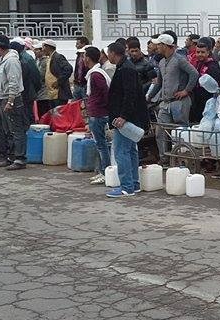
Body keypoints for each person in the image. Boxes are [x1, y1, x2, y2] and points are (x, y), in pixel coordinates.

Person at [106, 41, 147, 198]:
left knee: (121, 151)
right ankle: (134, 184)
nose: (108, 55)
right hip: (128, 116)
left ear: (113, 53)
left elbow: (130, 95)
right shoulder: (124, 67)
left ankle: (127, 187)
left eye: (109, 53)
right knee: (130, 151)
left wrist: (123, 116)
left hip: (125, 118)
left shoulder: (126, 69)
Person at [152, 33, 198, 162]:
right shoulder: (161, 62)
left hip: (180, 102)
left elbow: (194, 74)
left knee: (180, 132)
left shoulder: (179, 60)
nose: (157, 47)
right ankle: (164, 159)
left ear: (166, 46)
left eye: (159, 45)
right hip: (166, 102)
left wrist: (186, 91)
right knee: (160, 132)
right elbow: (159, 83)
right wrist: (149, 97)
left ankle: (181, 159)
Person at [0, 35, 28, 170]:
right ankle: (12, 155)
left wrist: (10, 101)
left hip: (11, 98)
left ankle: (20, 158)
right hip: (3, 98)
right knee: (8, 130)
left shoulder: (11, 61)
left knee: (16, 130)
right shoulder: (3, 59)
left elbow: (13, 82)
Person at [83, 45, 112, 185]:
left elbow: (105, 93)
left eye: (84, 56)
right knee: (100, 144)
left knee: (102, 145)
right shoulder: (94, 73)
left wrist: (100, 108)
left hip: (98, 114)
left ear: (87, 58)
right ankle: (101, 171)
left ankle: (105, 171)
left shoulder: (95, 75)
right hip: (97, 112)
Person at [190, 36, 220, 124]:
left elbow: (216, 85)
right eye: (198, 52)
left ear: (208, 52)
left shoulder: (213, 65)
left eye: (203, 52)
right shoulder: (197, 64)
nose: (200, 54)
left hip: (208, 99)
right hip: (197, 98)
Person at [39, 39, 73, 111]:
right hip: (52, 93)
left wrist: (58, 81)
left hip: (59, 93)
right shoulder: (50, 58)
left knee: (60, 115)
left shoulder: (58, 57)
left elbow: (68, 69)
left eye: (43, 47)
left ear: (48, 47)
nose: (42, 49)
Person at [71, 36, 91, 101]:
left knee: (85, 104)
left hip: (85, 84)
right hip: (77, 84)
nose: (76, 46)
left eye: (78, 44)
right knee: (74, 104)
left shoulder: (90, 55)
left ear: (83, 44)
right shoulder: (79, 55)